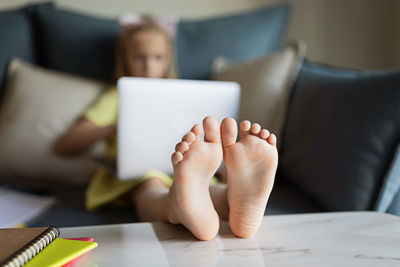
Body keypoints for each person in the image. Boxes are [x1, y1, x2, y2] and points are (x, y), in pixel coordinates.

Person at [55, 17, 278, 241]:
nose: (149, 66)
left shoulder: (186, 94)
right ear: (125, 60)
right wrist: (115, 126)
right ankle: (178, 204)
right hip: (137, 172)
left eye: (157, 58)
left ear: (168, 60)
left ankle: (234, 200)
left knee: (201, 184)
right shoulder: (116, 96)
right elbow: (67, 144)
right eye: (140, 57)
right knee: (150, 185)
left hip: (191, 169)